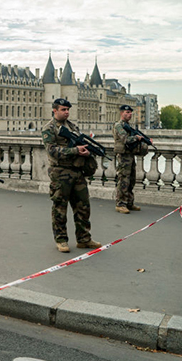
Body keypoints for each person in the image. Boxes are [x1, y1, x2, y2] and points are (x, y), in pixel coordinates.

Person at [41, 98, 101, 253]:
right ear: (54, 110)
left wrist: (86, 152)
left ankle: (84, 239)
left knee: (83, 206)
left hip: (77, 171)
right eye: (63, 109)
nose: (66, 112)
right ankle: (61, 240)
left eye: (68, 109)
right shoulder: (49, 128)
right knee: (60, 208)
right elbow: (52, 150)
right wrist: (75, 151)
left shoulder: (72, 126)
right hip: (60, 172)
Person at [113, 104, 151, 214]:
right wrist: (136, 138)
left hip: (130, 155)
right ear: (121, 113)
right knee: (123, 180)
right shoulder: (118, 126)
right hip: (123, 156)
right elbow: (125, 139)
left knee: (131, 179)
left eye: (130, 113)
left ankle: (129, 202)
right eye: (127, 113)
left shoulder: (128, 126)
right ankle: (120, 203)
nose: (129, 115)